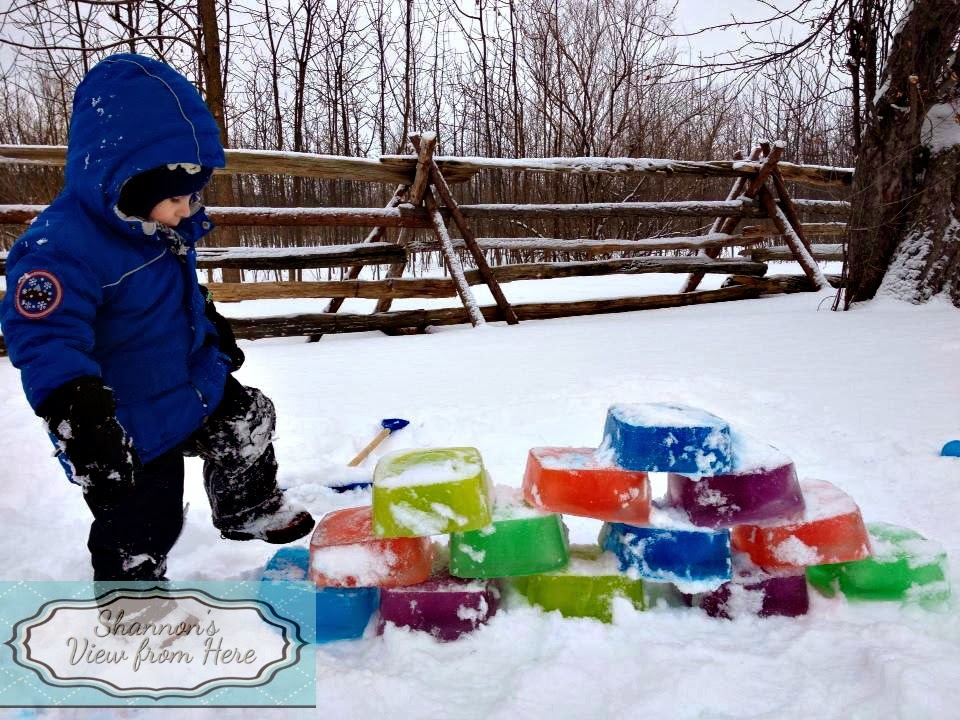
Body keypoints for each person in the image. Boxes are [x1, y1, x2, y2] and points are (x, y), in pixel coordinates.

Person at [0, 53, 314, 581]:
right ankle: (130, 598)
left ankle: (246, 507)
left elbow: (169, 293)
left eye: (195, 194)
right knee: (143, 519)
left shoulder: (153, 226)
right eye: (175, 197)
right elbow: (46, 338)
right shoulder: (58, 250)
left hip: (188, 382)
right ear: (123, 181)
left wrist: (210, 325)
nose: (188, 209)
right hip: (124, 420)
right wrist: (78, 412)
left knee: (248, 419)